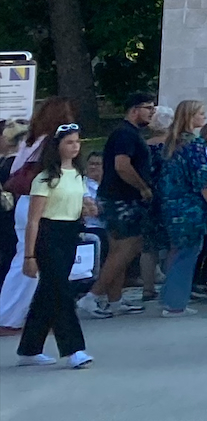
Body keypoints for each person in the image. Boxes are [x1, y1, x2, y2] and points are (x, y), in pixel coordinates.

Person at [15, 122, 96, 367]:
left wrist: (88, 207)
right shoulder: (45, 178)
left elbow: (81, 201)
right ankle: (74, 349)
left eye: (77, 142)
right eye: (69, 142)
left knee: (48, 291)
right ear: (57, 146)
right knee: (61, 291)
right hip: (49, 234)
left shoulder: (78, 174)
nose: (75, 146)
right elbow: (34, 220)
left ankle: (30, 348)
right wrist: (29, 256)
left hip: (70, 233)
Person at [88, 93, 158, 317]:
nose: (152, 112)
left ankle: (115, 300)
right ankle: (93, 296)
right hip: (121, 199)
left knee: (118, 251)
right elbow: (122, 165)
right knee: (129, 246)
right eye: (148, 108)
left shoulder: (129, 133)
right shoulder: (125, 134)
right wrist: (142, 187)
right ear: (134, 110)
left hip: (116, 197)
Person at [155, 99, 207, 317]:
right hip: (190, 205)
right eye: (200, 113)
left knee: (177, 250)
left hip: (171, 203)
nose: (204, 117)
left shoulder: (171, 143)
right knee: (188, 253)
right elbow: (200, 179)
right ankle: (175, 302)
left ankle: (169, 296)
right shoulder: (195, 144)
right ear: (191, 116)